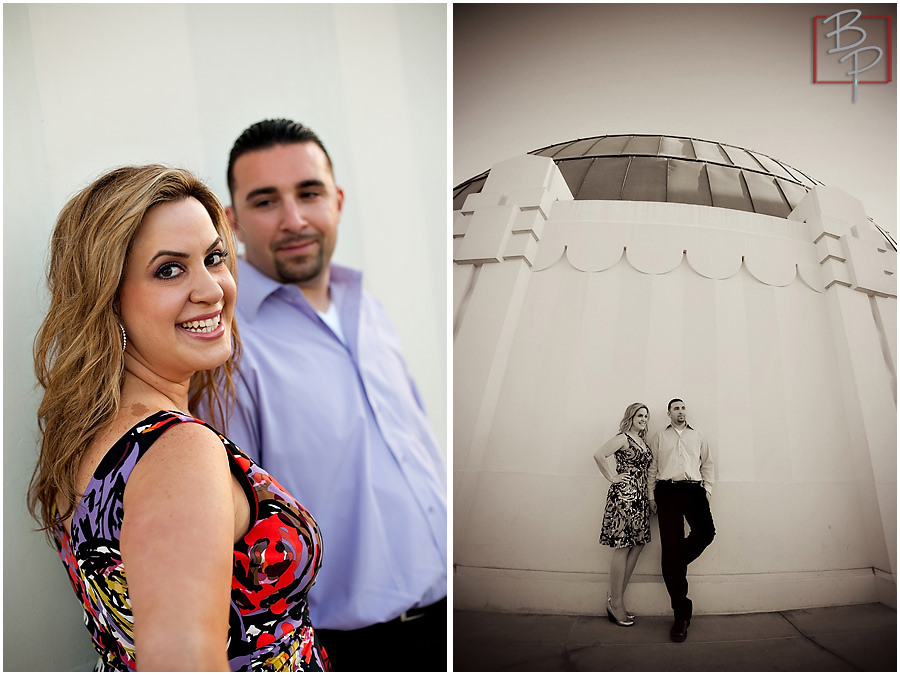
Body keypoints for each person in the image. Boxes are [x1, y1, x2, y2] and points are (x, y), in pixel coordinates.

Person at [28, 165, 330, 671]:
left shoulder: (94, 435)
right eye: (170, 269)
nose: (212, 289)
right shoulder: (177, 452)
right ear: (108, 299)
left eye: (214, 258)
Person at [218, 118, 447, 671]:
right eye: (266, 201)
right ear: (233, 221)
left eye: (309, 193)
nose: (294, 219)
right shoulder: (228, 351)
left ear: (337, 200)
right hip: (354, 649)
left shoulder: (369, 309)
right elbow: (232, 545)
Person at [648, 398, 715, 643]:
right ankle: (681, 615)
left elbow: (707, 463)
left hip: (693, 490)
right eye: (676, 408)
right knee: (670, 547)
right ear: (669, 413)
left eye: (683, 408)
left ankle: (674, 561)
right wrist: (650, 495)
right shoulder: (659, 437)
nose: (681, 411)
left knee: (706, 533)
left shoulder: (698, 435)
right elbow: (653, 467)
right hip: (667, 492)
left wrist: (707, 489)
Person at [593, 402, 655, 627]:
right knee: (623, 545)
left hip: (640, 498)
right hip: (625, 498)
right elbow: (599, 454)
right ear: (631, 416)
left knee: (638, 544)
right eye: (640, 415)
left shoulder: (642, 441)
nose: (644, 419)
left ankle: (615, 598)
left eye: (646, 416)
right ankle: (617, 603)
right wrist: (612, 477)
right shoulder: (623, 438)